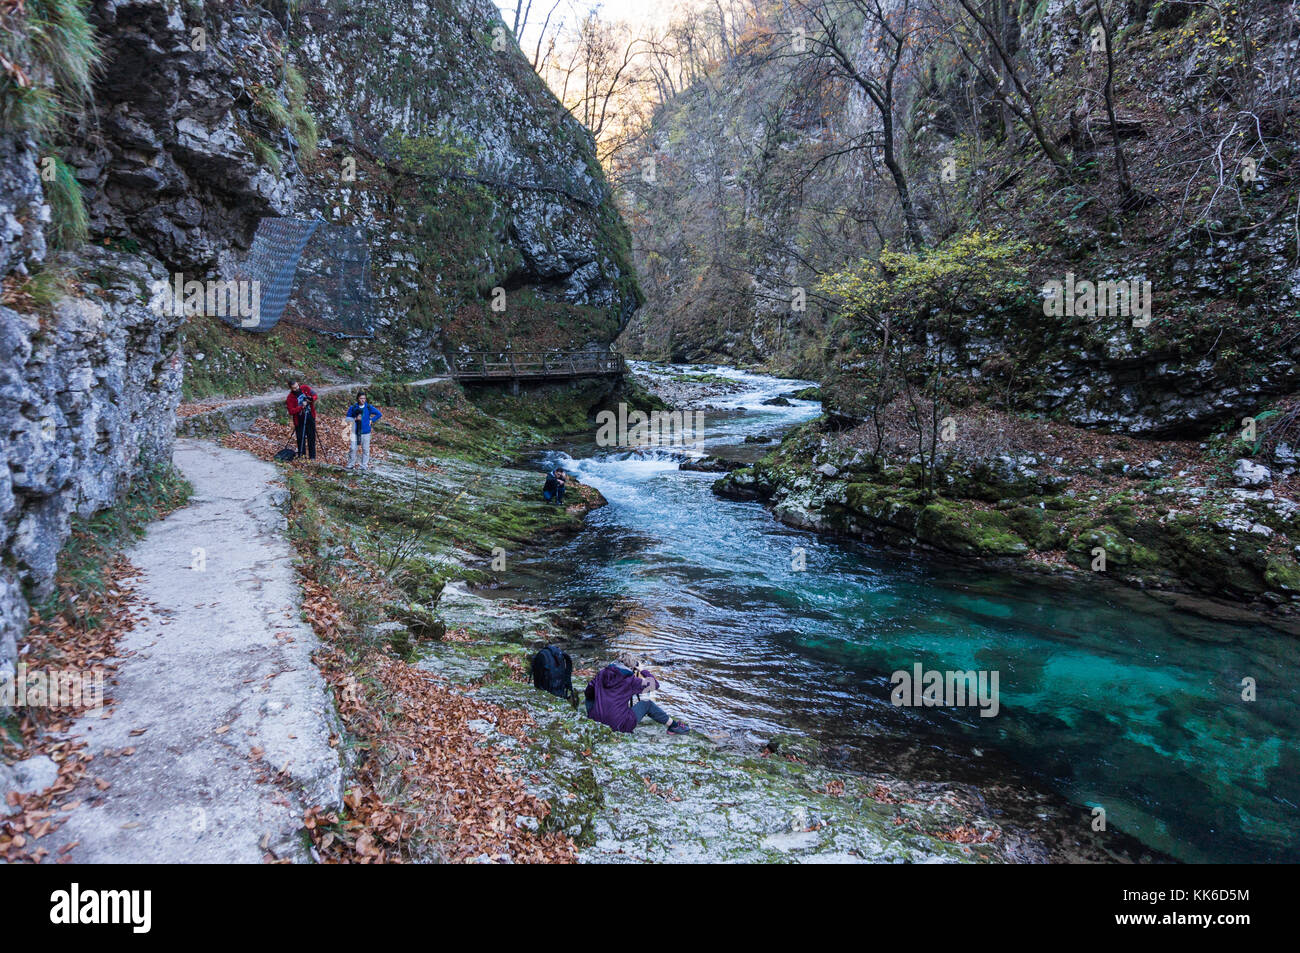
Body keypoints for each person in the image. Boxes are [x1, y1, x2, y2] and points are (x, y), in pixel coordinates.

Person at [584, 653, 690, 735]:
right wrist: (643, 670)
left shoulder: (602, 673)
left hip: (595, 719)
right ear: (632, 668)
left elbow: (588, 692)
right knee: (647, 703)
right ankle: (674, 726)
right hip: (619, 726)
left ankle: (598, 716)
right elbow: (655, 684)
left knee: (591, 695)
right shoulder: (631, 681)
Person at [345, 390, 382, 471]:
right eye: (361, 398)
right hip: (355, 431)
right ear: (358, 398)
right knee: (353, 449)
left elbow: (379, 414)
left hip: (366, 432)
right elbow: (347, 419)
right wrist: (355, 418)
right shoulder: (353, 407)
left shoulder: (369, 407)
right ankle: (350, 464)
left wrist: (372, 420)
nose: (363, 400)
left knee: (365, 449)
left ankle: (364, 466)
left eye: (364, 398)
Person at [286, 380, 318, 460]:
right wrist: (301, 407)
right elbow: (291, 411)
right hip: (299, 420)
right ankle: (302, 457)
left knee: (311, 438)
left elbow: (315, 395)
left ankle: (312, 457)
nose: (297, 389)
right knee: (301, 438)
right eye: (294, 388)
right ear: (291, 388)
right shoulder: (290, 397)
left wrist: (311, 399)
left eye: (297, 386)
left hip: (310, 416)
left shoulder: (305, 388)